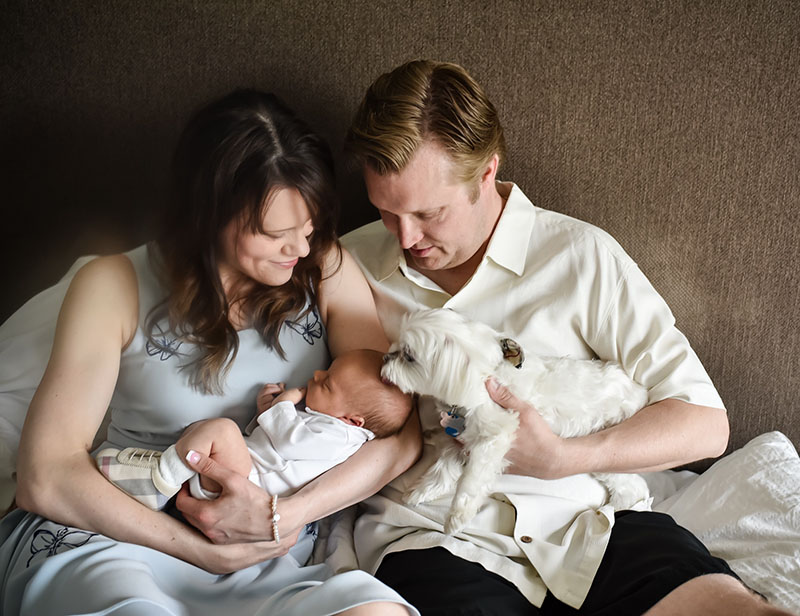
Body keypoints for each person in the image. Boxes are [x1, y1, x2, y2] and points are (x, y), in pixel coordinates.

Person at [340, 60, 792, 615]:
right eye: (386, 212)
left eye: (428, 213)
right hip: (438, 534)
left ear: (487, 173)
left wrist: (565, 457)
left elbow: (703, 423)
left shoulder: (581, 257)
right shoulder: (348, 265)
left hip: (592, 525)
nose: (407, 237)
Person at [0, 89, 421, 615]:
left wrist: (283, 517)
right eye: (276, 234)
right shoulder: (111, 285)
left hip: (269, 552)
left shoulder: (324, 267)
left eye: (310, 228)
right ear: (210, 214)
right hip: (127, 535)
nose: (300, 250)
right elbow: (46, 475)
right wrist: (197, 548)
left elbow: (399, 435)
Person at [96, 349, 413, 510]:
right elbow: (272, 442)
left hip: (244, 489)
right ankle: (158, 469)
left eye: (326, 382)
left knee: (221, 430)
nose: (316, 374)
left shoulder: (342, 437)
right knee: (204, 431)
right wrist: (265, 411)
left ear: (353, 420)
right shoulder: (336, 424)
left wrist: (284, 404)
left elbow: (291, 442)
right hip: (243, 476)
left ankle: (156, 482)